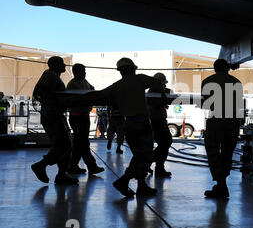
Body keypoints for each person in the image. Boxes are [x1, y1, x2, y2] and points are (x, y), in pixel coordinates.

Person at [65, 58, 165, 197]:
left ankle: (141, 186)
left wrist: (69, 100)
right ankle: (125, 181)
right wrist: (162, 95)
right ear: (133, 69)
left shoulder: (116, 86)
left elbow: (96, 95)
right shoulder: (140, 80)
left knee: (138, 156)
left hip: (128, 124)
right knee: (144, 155)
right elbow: (158, 83)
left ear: (120, 71)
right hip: (142, 123)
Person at [30, 56, 78, 185]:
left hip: (54, 114)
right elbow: (43, 91)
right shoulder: (50, 76)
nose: (65, 66)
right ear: (55, 65)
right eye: (62, 63)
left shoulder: (52, 76)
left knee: (63, 144)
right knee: (65, 145)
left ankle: (61, 175)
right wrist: (58, 99)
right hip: (52, 115)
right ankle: (41, 165)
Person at [201, 59, 243, 198]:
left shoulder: (207, 81)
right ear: (227, 68)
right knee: (227, 152)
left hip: (216, 120)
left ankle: (221, 184)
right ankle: (221, 185)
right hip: (233, 121)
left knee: (213, 150)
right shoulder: (237, 82)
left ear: (214, 68)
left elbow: (205, 104)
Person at [66, 63, 104, 175]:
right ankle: (90, 166)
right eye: (83, 71)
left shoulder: (84, 82)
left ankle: (73, 166)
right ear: (76, 72)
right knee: (82, 142)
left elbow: (91, 89)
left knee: (80, 143)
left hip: (83, 115)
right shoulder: (72, 84)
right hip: (78, 116)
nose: (85, 73)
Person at [147, 72, 172, 177]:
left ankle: (158, 167)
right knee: (165, 143)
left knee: (165, 143)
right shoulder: (152, 92)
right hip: (156, 121)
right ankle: (151, 163)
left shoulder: (159, 92)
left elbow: (168, 101)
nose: (164, 86)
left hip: (160, 120)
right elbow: (165, 101)